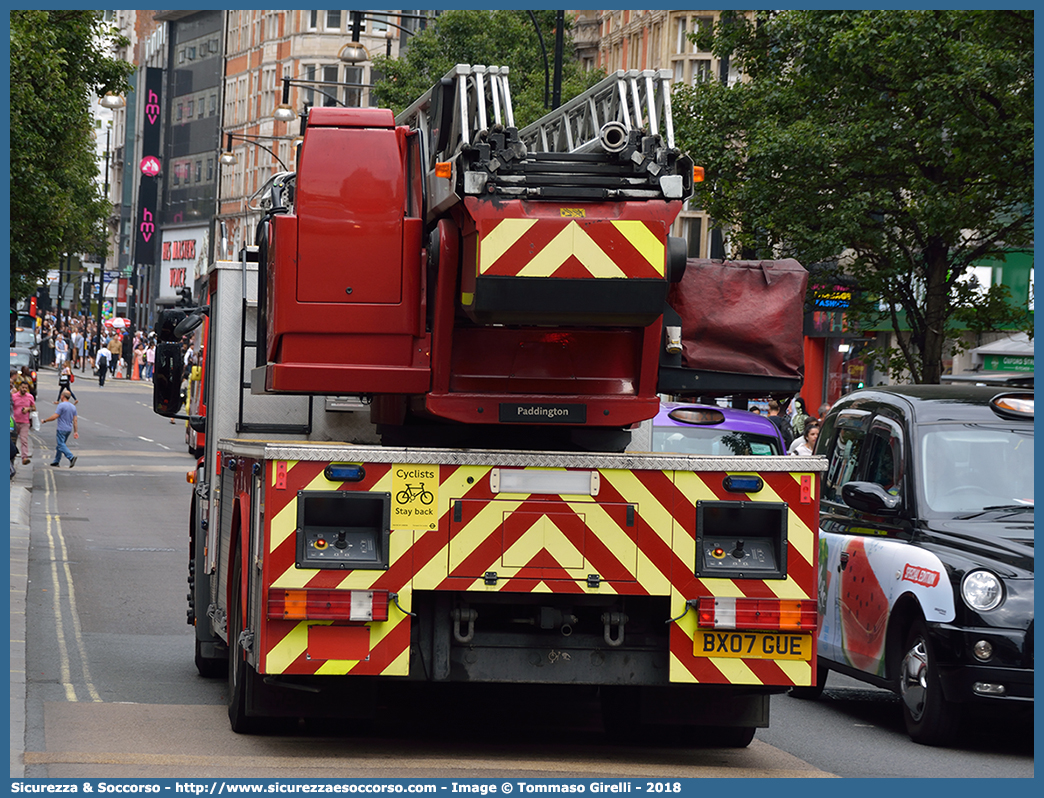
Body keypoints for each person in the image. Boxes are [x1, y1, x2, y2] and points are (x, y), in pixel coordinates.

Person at [41, 390, 78, 467]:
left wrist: (45, 420)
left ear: (62, 396)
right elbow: (75, 420)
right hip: (69, 429)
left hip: (61, 428)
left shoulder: (61, 405)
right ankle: (56, 461)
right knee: (60, 446)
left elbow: (55, 416)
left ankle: (71, 457)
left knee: (61, 445)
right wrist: (75, 431)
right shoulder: (73, 407)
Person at [11, 381, 36, 465]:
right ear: (19, 387)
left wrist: (28, 409)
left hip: (25, 422)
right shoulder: (14, 396)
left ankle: (24, 458)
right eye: (23, 387)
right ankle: (11, 458)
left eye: (26, 388)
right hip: (14, 422)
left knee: (24, 440)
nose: (24, 389)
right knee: (12, 441)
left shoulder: (30, 397)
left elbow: (34, 408)